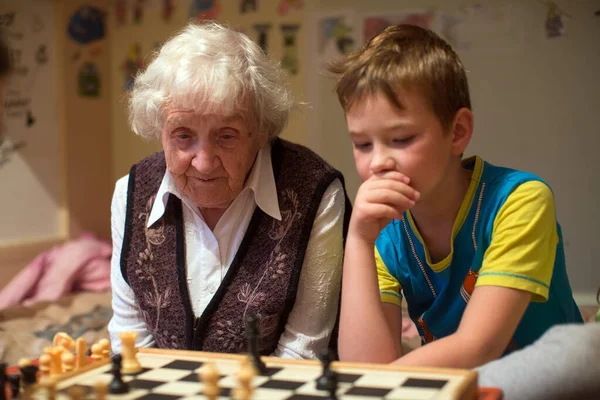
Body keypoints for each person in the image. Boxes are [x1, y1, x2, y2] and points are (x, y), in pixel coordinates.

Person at [328, 24, 583, 369]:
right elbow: (365, 364)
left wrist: (382, 378)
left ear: (458, 132)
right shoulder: (383, 236)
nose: (377, 163)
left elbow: (478, 348)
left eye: (401, 139)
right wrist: (358, 241)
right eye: (361, 144)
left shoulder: (520, 201)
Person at [108, 21, 351, 358]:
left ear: (262, 129)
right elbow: (129, 343)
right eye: (183, 135)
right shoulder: (131, 194)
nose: (204, 163)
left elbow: (302, 352)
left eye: (227, 135)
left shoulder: (315, 192)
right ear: (159, 129)